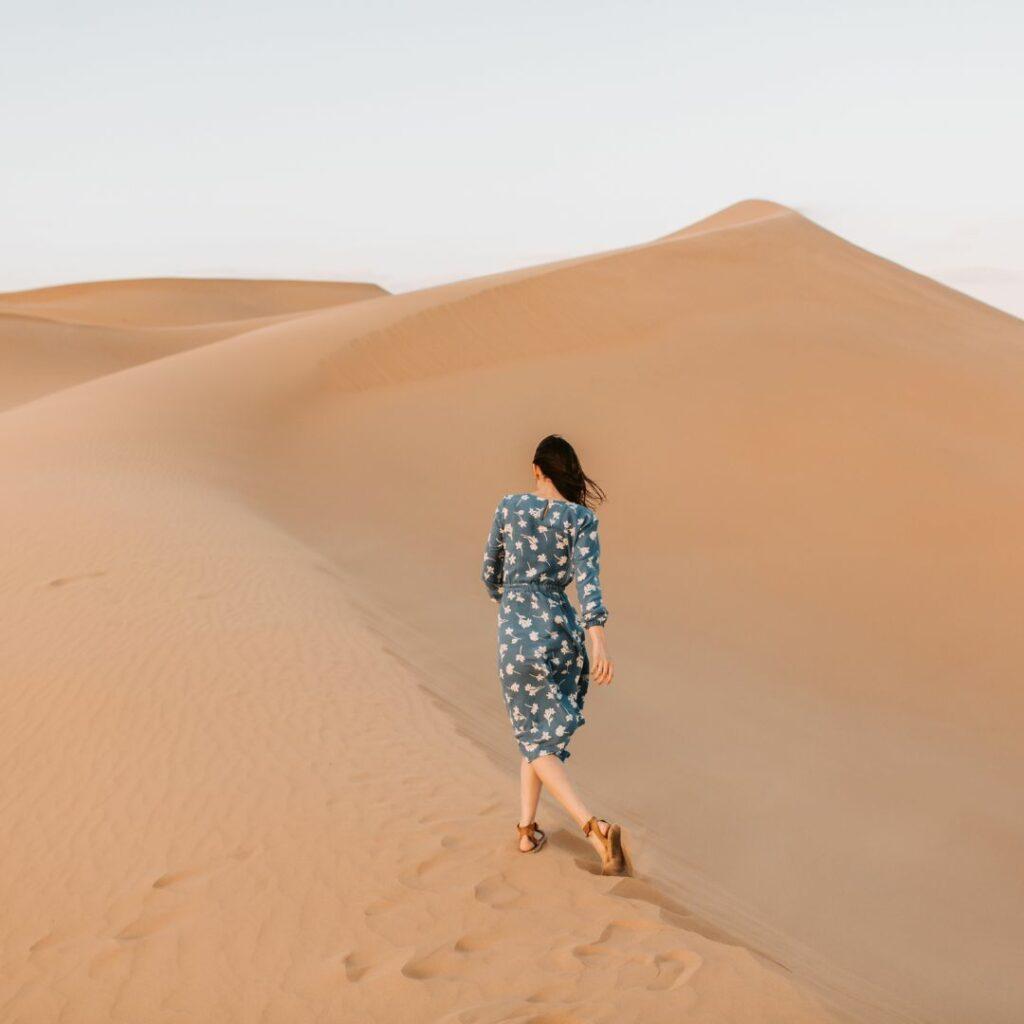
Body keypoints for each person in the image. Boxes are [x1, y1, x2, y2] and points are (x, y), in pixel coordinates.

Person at [480, 434, 626, 875]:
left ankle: (592, 826)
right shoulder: (581, 519)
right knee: (537, 731)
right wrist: (597, 639)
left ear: (536, 469)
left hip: (519, 634)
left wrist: (504, 599)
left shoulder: (508, 506)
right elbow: (589, 585)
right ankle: (526, 829)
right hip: (562, 632)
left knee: (533, 735)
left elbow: (490, 570)